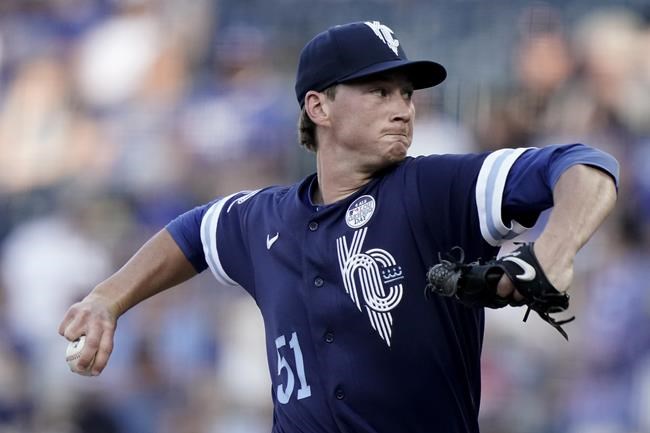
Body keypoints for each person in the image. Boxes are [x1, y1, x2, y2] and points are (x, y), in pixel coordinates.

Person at [59, 21, 618, 433]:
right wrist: (109, 299)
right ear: (319, 107)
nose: (402, 107)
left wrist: (552, 252)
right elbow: (190, 235)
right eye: (379, 92)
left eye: (406, 93)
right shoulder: (263, 218)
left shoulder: (435, 189)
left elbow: (585, 166)